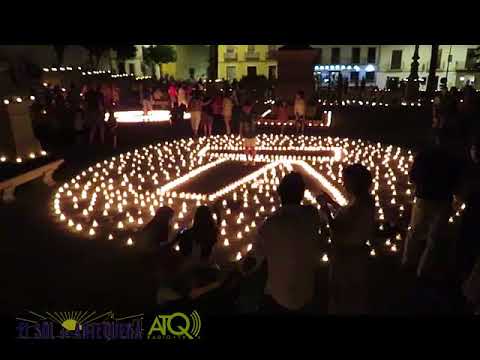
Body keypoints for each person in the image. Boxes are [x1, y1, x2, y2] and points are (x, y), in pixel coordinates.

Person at [246, 172, 322, 314]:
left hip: (278, 297)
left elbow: (254, 259)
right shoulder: (312, 216)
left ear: (279, 193)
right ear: (302, 193)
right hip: (306, 292)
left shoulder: (270, 225)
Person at [317, 164, 375, 315]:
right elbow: (347, 215)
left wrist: (325, 210)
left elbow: (338, 230)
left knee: (342, 294)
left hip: (346, 256)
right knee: (356, 292)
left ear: (354, 183)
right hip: (359, 254)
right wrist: (332, 202)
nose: (343, 183)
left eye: (346, 181)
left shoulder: (357, 206)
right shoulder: (365, 200)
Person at [401, 146, 461, 279]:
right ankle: (421, 269)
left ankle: (411, 264)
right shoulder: (453, 157)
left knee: (418, 232)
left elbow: (413, 176)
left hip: (428, 198)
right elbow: (458, 181)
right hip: (439, 199)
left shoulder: (427, 154)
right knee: (433, 237)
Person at [239, 101, 257, 166]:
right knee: (246, 148)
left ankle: (253, 160)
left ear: (250, 107)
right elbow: (241, 124)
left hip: (252, 134)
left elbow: (255, 123)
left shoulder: (253, 114)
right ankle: (247, 160)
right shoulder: (242, 115)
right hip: (246, 134)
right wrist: (240, 133)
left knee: (253, 148)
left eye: (248, 108)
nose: (246, 109)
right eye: (245, 108)